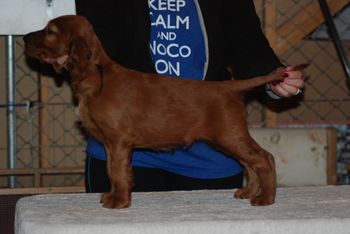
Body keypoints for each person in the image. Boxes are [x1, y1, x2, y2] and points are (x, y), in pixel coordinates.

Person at [75, 0, 305, 193]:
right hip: (126, 148)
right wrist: (69, 53)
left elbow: (248, 42)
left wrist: (273, 76)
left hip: (209, 150)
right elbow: (94, 39)